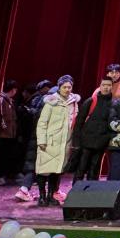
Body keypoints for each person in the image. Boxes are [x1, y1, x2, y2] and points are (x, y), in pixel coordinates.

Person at [35, 75, 80, 207]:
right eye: (64, 87)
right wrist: (41, 140)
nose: (67, 89)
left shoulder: (73, 102)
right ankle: (42, 196)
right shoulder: (51, 102)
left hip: (65, 142)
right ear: (59, 87)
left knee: (57, 170)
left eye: (69, 87)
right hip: (50, 142)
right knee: (43, 170)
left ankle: (51, 195)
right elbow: (42, 123)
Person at [73, 76, 114, 182]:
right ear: (100, 86)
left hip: (101, 142)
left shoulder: (114, 104)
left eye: (109, 85)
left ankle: (91, 191)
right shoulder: (91, 101)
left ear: (112, 87)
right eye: (104, 85)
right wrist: (76, 141)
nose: (106, 87)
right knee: (81, 168)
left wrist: (108, 140)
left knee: (94, 170)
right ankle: (76, 190)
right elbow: (79, 122)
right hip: (86, 141)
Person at [0, 79, 20, 186]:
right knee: (0, 157)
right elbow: (1, 117)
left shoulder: (9, 101)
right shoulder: (2, 100)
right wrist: (2, 128)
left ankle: (1, 175)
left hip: (9, 134)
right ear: (13, 90)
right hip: (2, 134)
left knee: (5, 156)